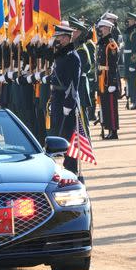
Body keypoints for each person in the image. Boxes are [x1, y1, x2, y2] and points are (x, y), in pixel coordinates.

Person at [48, 24, 81, 175]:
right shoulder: (61, 54)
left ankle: (71, 168)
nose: (58, 40)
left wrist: (69, 103)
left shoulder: (72, 56)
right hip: (57, 98)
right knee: (58, 132)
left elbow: (73, 83)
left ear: (68, 38)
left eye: (60, 37)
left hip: (66, 100)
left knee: (68, 135)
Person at [95, 19, 120, 139]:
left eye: (102, 28)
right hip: (102, 77)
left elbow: (114, 65)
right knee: (104, 105)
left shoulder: (111, 44)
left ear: (107, 28)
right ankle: (108, 128)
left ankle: (113, 130)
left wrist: (113, 82)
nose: (100, 30)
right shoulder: (102, 43)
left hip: (109, 79)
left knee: (111, 105)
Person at [122, 13, 136, 110]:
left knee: (135, 82)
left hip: (133, 62)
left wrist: (133, 64)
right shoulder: (129, 32)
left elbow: (135, 50)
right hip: (127, 60)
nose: (128, 21)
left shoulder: (135, 33)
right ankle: (133, 100)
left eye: (130, 20)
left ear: (134, 21)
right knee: (130, 82)